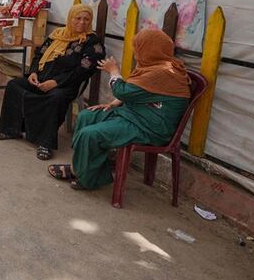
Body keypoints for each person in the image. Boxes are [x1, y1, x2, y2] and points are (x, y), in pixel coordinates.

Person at [48, 28, 191, 191]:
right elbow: (140, 92)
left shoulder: (163, 73)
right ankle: (80, 167)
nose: (136, 52)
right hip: (134, 115)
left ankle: (86, 178)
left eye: (139, 47)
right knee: (87, 116)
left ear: (150, 50)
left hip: (148, 128)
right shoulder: (155, 66)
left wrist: (114, 71)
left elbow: (123, 90)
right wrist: (114, 103)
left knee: (90, 134)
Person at [0, 4, 105, 160]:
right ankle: (10, 129)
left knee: (55, 97)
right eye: (77, 18)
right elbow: (39, 54)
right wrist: (33, 72)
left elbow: (83, 70)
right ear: (70, 18)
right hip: (41, 78)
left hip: (66, 85)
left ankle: (45, 142)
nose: (82, 22)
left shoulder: (93, 43)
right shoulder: (58, 34)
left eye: (86, 19)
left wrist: (56, 82)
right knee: (14, 85)